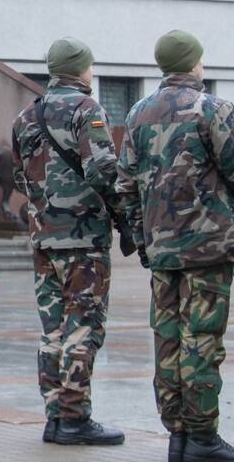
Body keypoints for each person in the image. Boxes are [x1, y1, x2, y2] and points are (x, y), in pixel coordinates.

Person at [117, 30, 234, 462]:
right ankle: (202, 438)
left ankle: (178, 436)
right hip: (209, 250)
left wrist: (145, 241)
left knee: (167, 339)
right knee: (201, 340)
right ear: (194, 63)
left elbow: (125, 185)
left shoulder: (137, 114)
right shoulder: (213, 110)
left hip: (163, 252)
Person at [12, 38, 125, 446]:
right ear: (80, 69)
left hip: (44, 239)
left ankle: (55, 416)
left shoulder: (26, 116)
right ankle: (75, 416)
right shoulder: (86, 109)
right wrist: (124, 209)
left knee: (52, 330)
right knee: (83, 326)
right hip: (84, 240)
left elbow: (20, 178)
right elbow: (102, 171)